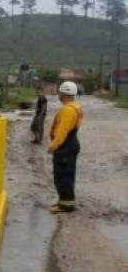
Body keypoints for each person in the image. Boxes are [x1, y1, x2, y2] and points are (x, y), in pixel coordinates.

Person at [48, 81, 83, 213]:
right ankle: (65, 200)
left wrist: (53, 145)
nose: (59, 95)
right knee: (67, 174)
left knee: (63, 175)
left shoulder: (68, 110)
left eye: (60, 93)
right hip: (70, 144)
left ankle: (66, 205)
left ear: (64, 94)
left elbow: (62, 131)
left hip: (65, 146)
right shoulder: (75, 107)